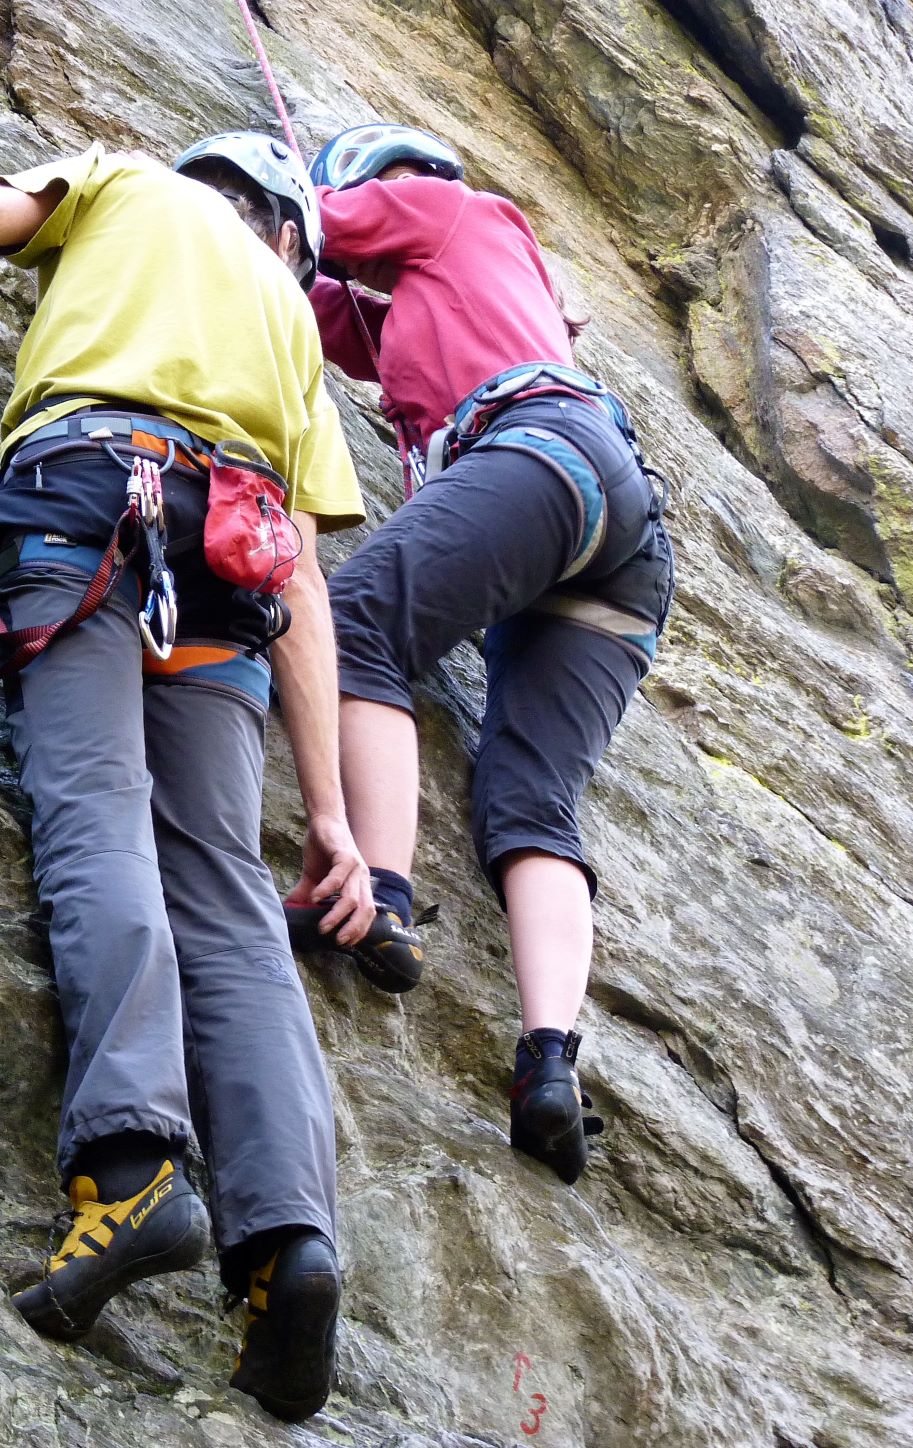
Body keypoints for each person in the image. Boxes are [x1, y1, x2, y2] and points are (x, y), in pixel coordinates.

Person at [0, 131, 373, 1421]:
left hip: (89, 509)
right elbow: (303, 577)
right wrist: (332, 814)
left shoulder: (126, 181)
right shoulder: (291, 322)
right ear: (288, 229)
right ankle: (289, 1247)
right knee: (230, 899)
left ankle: (128, 1168)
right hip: (230, 580)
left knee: (95, 818)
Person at [287, 123, 675, 1184]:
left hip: (543, 457)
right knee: (529, 794)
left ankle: (385, 897)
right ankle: (548, 1064)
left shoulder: (445, 205)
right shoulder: (456, 295)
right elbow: (307, 303)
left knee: (354, 622)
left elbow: (294, 221)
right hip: (619, 543)